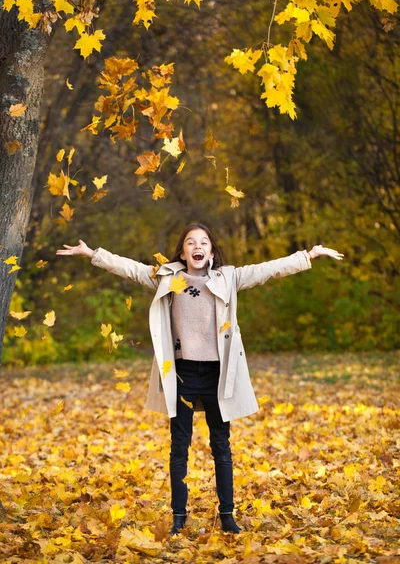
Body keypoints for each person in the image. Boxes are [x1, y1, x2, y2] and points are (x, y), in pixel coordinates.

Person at [56, 223, 345, 535]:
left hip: (217, 375)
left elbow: (269, 269)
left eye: (203, 242)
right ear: (183, 252)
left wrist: (309, 255)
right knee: (179, 446)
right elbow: (130, 268)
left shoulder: (229, 278)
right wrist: (91, 253)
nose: (197, 246)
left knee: (221, 445)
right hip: (181, 374)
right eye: (191, 242)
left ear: (211, 250)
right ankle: (178, 518)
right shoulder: (168, 277)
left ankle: (227, 516)